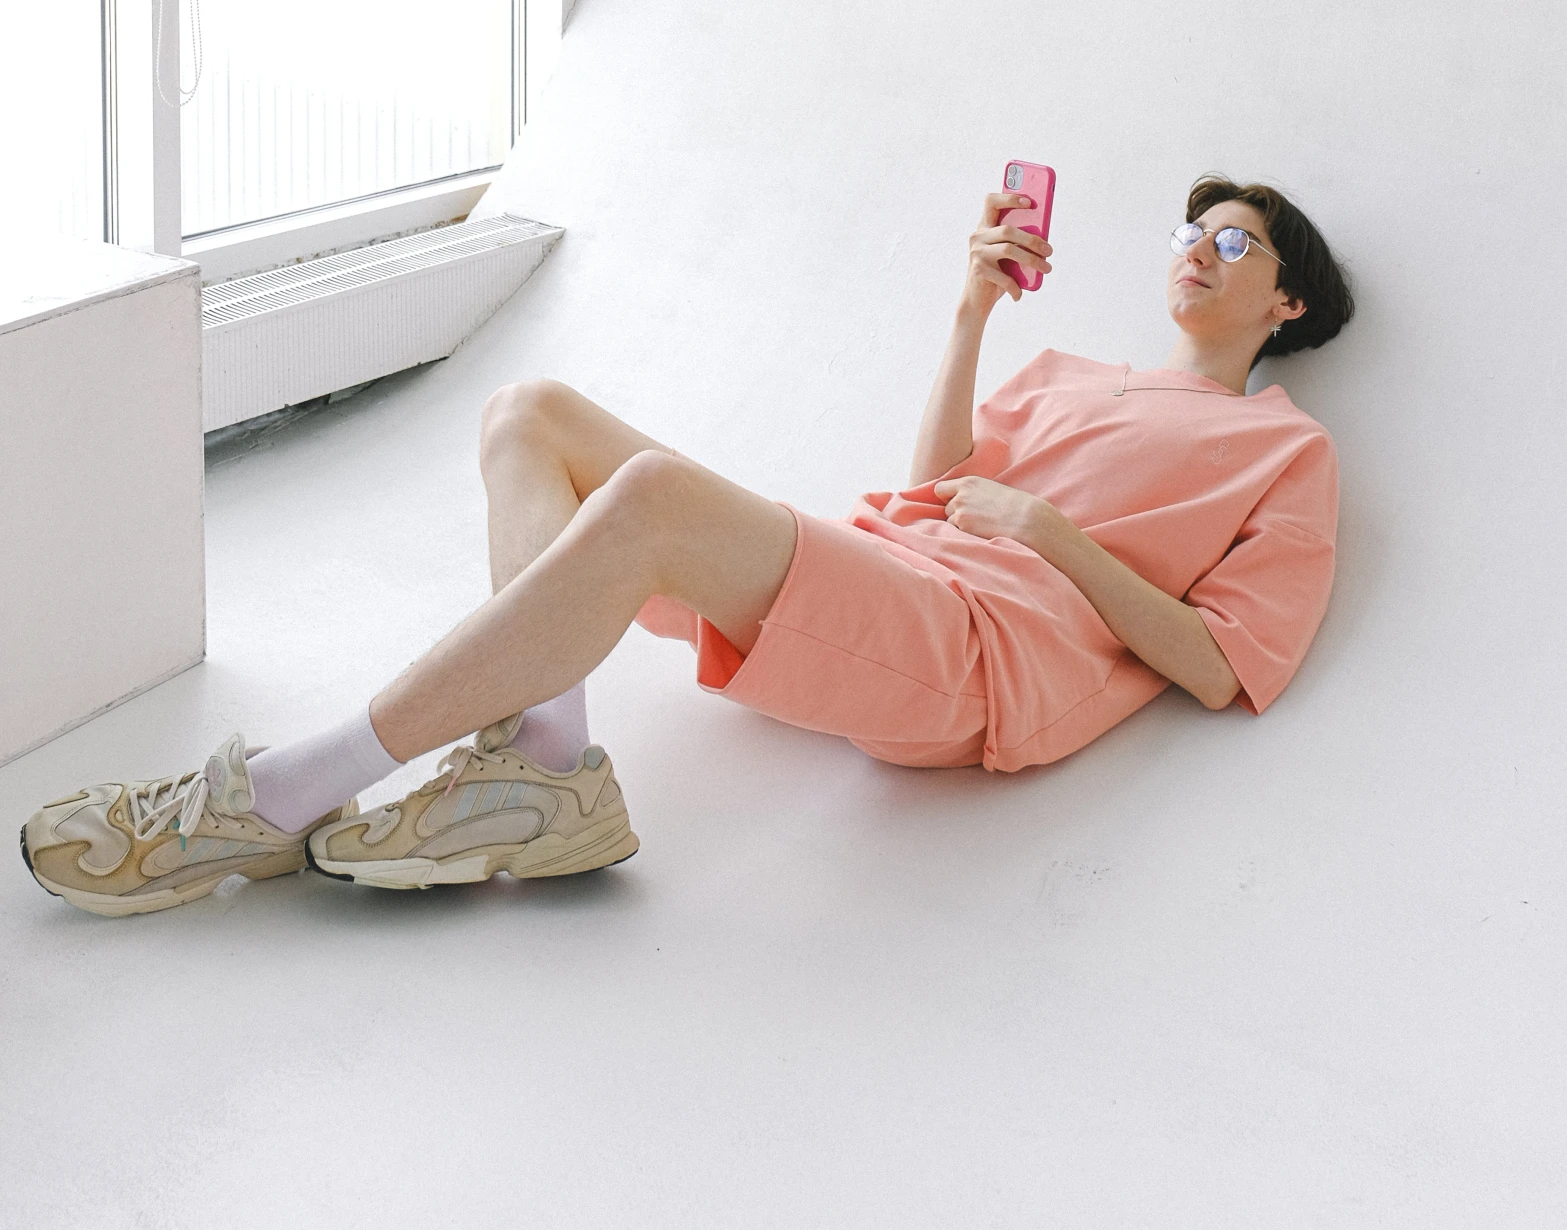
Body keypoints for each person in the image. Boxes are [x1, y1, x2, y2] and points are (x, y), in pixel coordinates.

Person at [21, 173, 1352, 916]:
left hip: (977, 655)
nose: (1194, 248)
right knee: (525, 409)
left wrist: (1050, 530)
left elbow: (1222, 665)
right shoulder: (1069, 370)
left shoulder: (1282, 452)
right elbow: (941, 486)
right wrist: (967, 315)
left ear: (1281, 298)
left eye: (1228, 241)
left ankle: (276, 794)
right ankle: (544, 769)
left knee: (646, 495)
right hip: (896, 573)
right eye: (1185, 228)